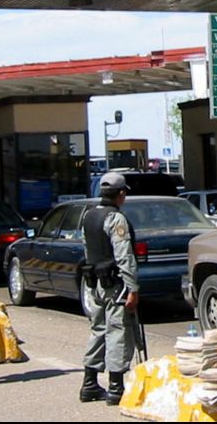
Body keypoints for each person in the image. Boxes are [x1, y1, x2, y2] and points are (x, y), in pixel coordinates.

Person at [80, 172, 139, 406]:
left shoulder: (89, 215)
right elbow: (124, 256)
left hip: (95, 282)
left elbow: (87, 250)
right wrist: (133, 288)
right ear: (121, 193)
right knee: (117, 331)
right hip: (115, 284)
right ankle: (116, 386)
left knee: (98, 329)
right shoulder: (116, 219)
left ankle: (89, 383)